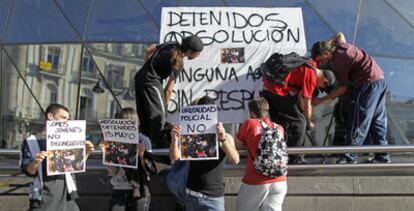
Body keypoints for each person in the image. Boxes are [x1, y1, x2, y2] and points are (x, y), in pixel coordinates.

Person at [311, 32, 391, 164]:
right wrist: (326, 44)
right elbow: (339, 34)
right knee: (377, 121)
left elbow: (343, 88)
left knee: (358, 121)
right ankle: (383, 156)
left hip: (367, 84)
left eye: (320, 60)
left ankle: (349, 157)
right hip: (380, 81)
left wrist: (321, 100)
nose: (320, 64)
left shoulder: (339, 61)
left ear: (326, 54)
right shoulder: (341, 46)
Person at [169, 96, 240, 211]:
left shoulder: (225, 136)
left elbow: (235, 160)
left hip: (214, 198)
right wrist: (174, 139)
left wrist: (222, 139)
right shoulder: (189, 134)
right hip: (191, 195)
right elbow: (174, 157)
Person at [261, 57, 336, 164]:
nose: (318, 87)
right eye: (322, 86)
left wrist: (302, 112)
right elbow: (307, 104)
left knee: (282, 123)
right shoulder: (311, 76)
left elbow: (300, 97)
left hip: (269, 90)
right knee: (300, 123)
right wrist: (309, 122)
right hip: (276, 92)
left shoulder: (310, 63)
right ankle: (296, 157)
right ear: (325, 81)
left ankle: (281, 152)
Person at [20, 103, 95, 211]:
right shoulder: (32, 141)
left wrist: (86, 152)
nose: (66, 122)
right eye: (63, 118)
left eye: (68, 119)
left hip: (68, 193)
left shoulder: (69, 138)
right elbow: (29, 172)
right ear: (50, 116)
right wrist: (36, 161)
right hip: (44, 194)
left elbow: (74, 165)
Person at [134, 35, 204, 148]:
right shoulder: (178, 62)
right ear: (190, 51)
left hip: (139, 79)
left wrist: (148, 67)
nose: (198, 56)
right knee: (159, 120)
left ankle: (145, 149)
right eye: (198, 53)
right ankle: (161, 152)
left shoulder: (170, 44)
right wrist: (164, 109)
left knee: (145, 118)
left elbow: (148, 50)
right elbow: (168, 90)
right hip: (151, 83)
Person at [99, 108, 157, 211]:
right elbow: (113, 171)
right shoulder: (113, 141)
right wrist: (106, 154)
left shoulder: (143, 140)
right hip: (119, 188)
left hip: (140, 189)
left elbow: (149, 170)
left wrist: (143, 155)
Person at [235, 97, 287, 211]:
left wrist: (248, 143)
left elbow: (237, 145)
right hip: (280, 180)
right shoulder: (279, 128)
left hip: (256, 180)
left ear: (252, 112)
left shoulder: (250, 123)